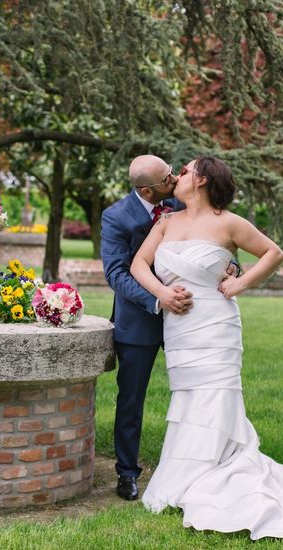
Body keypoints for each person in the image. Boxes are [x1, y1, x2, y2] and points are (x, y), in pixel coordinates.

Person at [130, 156, 283, 539]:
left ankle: (210, 471)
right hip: (180, 329)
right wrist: (163, 294)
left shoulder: (228, 222)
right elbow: (138, 266)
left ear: (202, 180)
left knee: (214, 396)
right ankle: (189, 470)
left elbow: (273, 253)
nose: (178, 174)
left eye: (185, 169)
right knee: (189, 399)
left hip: (216, 326)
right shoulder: (166, 223)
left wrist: (240, 283)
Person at [100, 155, 196, 501]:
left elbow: (211, 236)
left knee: (195, 389)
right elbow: (116, 273)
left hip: (188, 316)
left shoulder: (180, 203)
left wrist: (229, 265)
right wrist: (157, 300)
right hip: (138, 321)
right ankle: (126, 473)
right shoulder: (115, 217)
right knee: (131, 401)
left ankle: (195, 463)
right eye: (166, 179)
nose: (174, 181)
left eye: (173, 174)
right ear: (146, 189)